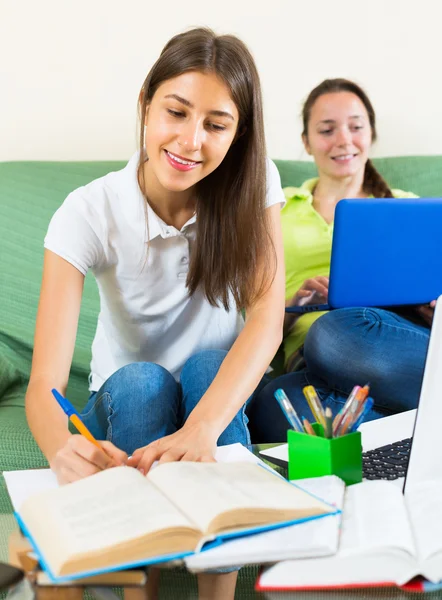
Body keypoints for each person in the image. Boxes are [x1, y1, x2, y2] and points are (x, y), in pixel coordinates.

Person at [25, 27, 285, 599]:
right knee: (145, 383)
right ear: (145, 103)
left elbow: (268, 316)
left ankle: (219, 591)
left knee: (207, 367)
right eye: (176, 112)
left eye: (216, 125)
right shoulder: (87, 212)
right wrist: (59, 450)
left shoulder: (254, 184)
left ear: (238, 137)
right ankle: (143, 587)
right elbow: (44, 381)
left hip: (209, 401)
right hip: (128, 399)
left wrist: (201, 429)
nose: (191, 141)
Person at [248, 78, 433, 443]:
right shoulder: (275, 207)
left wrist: (431, 309)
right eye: (327, 130)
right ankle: (418, 420)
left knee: (337, 332)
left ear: (371, 134)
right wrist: (291, 306)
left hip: (386, 339)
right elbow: (251, 323)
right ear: (306, 141)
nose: (343, 140)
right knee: (272, 404)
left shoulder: (407, 206)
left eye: (355, 127)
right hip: (307, 359)